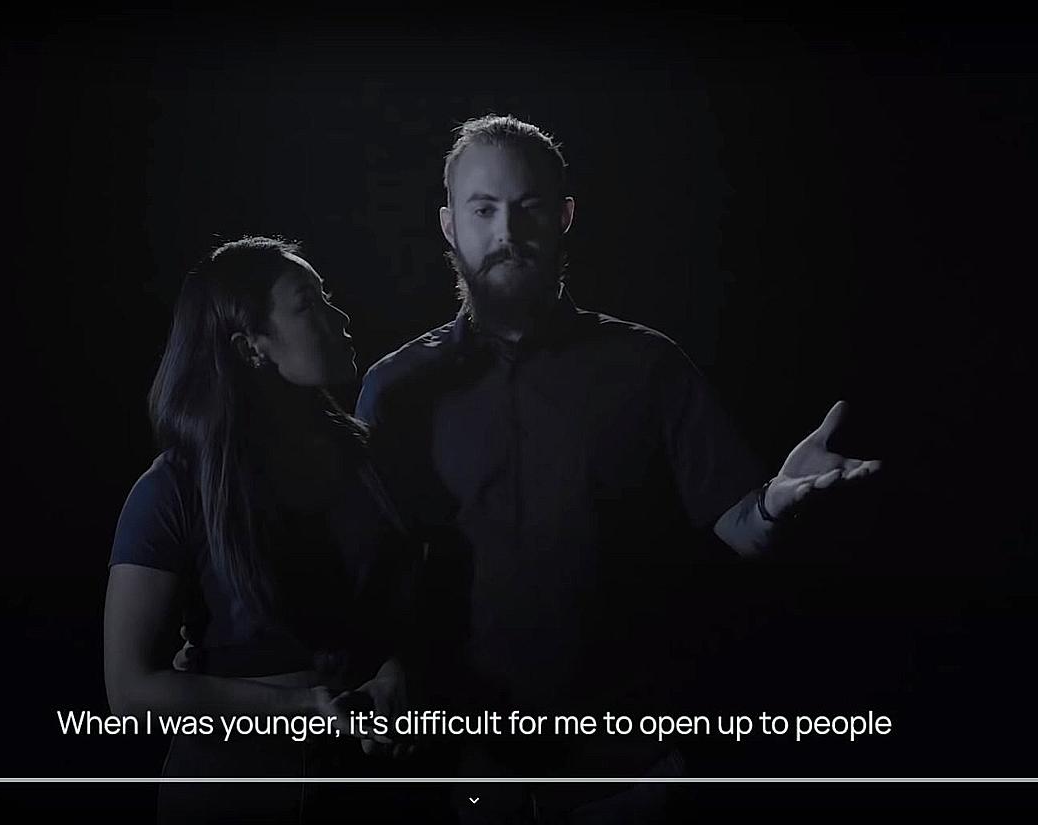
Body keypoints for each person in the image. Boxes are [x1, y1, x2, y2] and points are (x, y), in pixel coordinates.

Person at [356, 115, 883, 822]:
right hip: (466, 774)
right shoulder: (395, 389)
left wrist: (774, 504)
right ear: (450, 225)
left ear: (565, 215)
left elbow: (740, 527)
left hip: (626, 771)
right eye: (484, 209)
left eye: (529, 205)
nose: (507, 231)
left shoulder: (648, 366)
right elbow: (367, 570)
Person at [104, 236, 417, 824]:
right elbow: (128, 691)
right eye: (309, 303)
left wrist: (394, 675)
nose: (340, 317)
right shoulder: (172, 491)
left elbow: (407, 608)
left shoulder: (367, 463)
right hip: (233, 791)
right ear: (251, 347)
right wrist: (299, 706)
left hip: (366, 785)